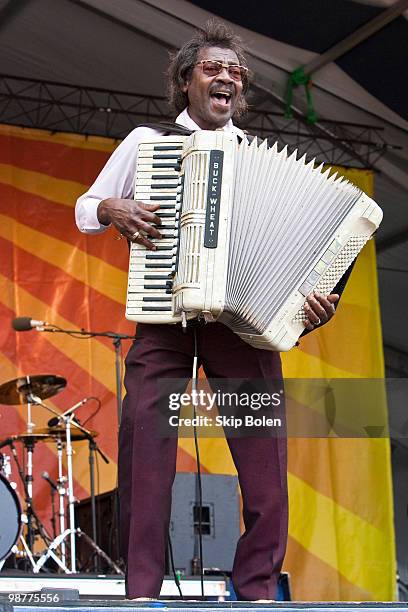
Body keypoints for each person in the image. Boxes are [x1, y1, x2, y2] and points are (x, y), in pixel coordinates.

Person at [75, 21, 339, 600]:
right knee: (147, 459)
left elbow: (305, 257)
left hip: (240, 331)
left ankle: (256, 589)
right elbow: (85, 207)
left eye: (235, 72)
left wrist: (314, 305)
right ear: (185, 81)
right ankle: (141, 591)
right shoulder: (147, 144)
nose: (227, 78)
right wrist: (114, 206)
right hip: (163, 319)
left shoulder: (261, 160)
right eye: (213, 69)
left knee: (265, 471)